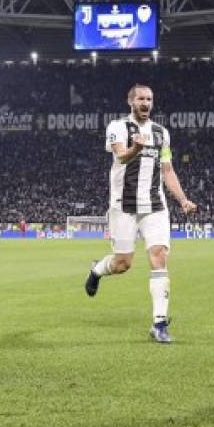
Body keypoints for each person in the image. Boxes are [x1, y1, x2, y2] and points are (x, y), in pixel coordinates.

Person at [84, 84, 197, 344]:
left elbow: (167, 170)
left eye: (149, 99)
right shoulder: (117, 127)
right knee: (123, 264)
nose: (146, 103)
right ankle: (97, 270)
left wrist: (182, 200)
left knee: (159, 256)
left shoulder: (161, 133)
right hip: (123, 205)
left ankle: (159, 323)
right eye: (141, 99)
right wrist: (136, 148)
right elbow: (122, 156)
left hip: (155, 205)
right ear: (130, 101)